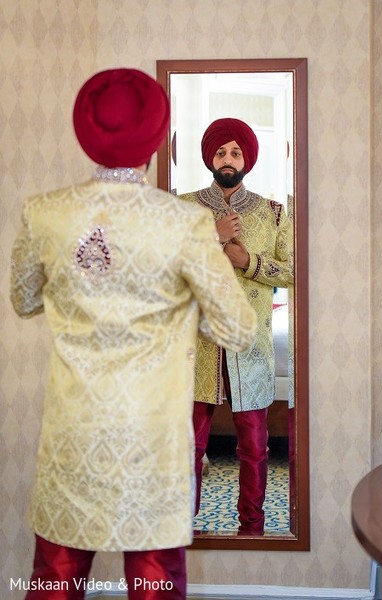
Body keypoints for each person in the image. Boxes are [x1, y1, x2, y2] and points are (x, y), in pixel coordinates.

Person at [10, 72, 257, 600]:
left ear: (85, 134)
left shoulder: (44, 213)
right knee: (154, 587)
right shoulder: (185, 224)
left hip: (72, 437)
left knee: (55, 582)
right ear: (158, 139)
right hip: (152, 444)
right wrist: (185, 309)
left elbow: (24, 300)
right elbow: (236, 327)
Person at [179, 117, 294, 536]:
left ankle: (253, 528)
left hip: (251, 346)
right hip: (198, 345)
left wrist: (248, 262)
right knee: (189, 446)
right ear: (210, 156)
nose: (228, 159)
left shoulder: (272, 212)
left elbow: (295, 270)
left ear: (248, 159)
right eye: (222, 151)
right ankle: (181, 530)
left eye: (236, 152)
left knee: (254, 447)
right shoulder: (184, 207)